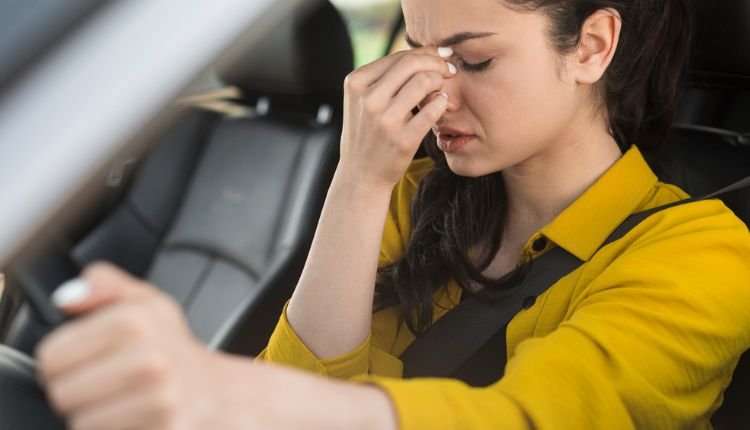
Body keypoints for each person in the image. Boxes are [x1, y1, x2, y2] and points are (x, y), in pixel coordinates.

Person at [34, 0, 750, 428]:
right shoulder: (414, 196)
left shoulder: (705, 254)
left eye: (474, 63)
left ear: (592, 47)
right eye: (423, 59)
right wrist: (360, 177)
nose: (439, 96)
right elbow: (313, 397)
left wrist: (228, 390)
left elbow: (526, 420)